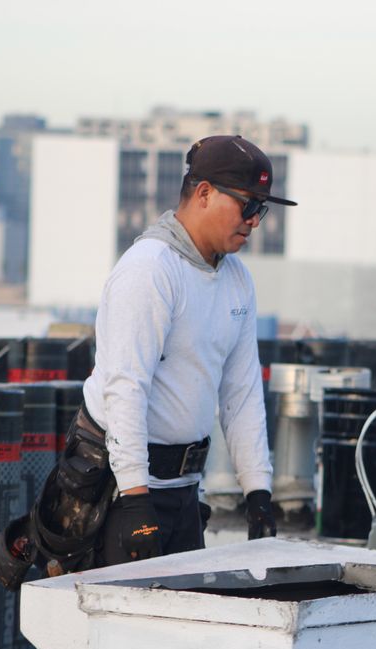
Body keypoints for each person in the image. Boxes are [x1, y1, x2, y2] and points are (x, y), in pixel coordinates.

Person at [78, 135, 296, 565]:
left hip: (182, 490)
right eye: (248, 205)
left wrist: (258, 493)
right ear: (204, 193)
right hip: (120, 487)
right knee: (125, 628)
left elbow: (243, 392)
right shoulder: (149, 270)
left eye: (262, 209)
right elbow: (126, 389)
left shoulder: (236, 280)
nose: (256, 221)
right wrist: (137, 501)